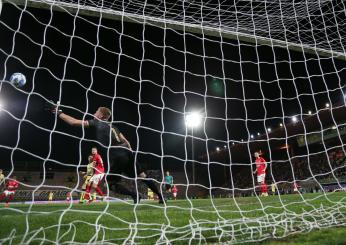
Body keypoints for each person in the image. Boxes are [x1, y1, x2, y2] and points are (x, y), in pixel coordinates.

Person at [49, 105, 165, 204]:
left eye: (96, 112)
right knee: (143, 176)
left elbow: (73, 122)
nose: (94, 113)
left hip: (117, 155)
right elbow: (127, 142)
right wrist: (130, 156)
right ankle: (160, 197)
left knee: (111, 184)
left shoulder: (96, 122)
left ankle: (135, 195)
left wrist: (58, 112)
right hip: (127, 153)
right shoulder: (114, 126)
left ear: (101, 116)